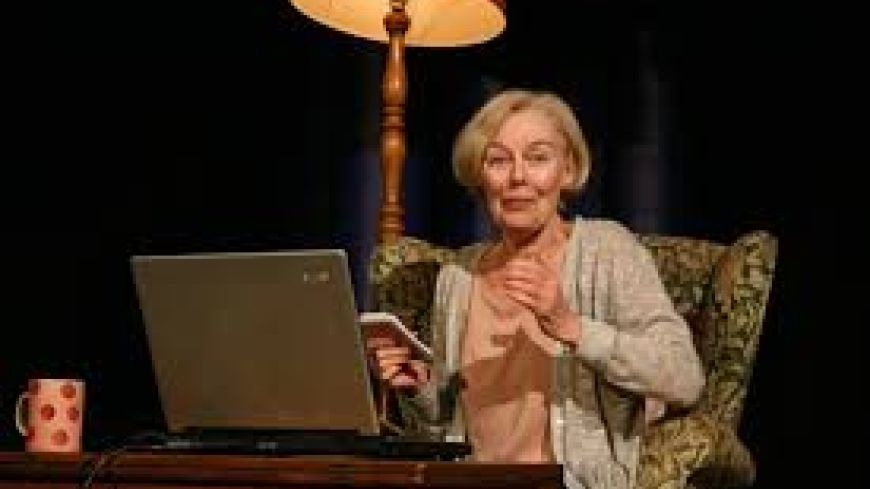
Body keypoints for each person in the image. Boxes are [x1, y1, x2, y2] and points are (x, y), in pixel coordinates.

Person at [366, 88, 704, 489]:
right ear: (479, 175)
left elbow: (684, 377)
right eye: (498, 160)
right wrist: (419, 389)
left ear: (568, 169)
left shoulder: (607, 252)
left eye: (538, 158)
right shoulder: (458, 276)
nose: (518, 177)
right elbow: (443, 430)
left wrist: (574, 328)